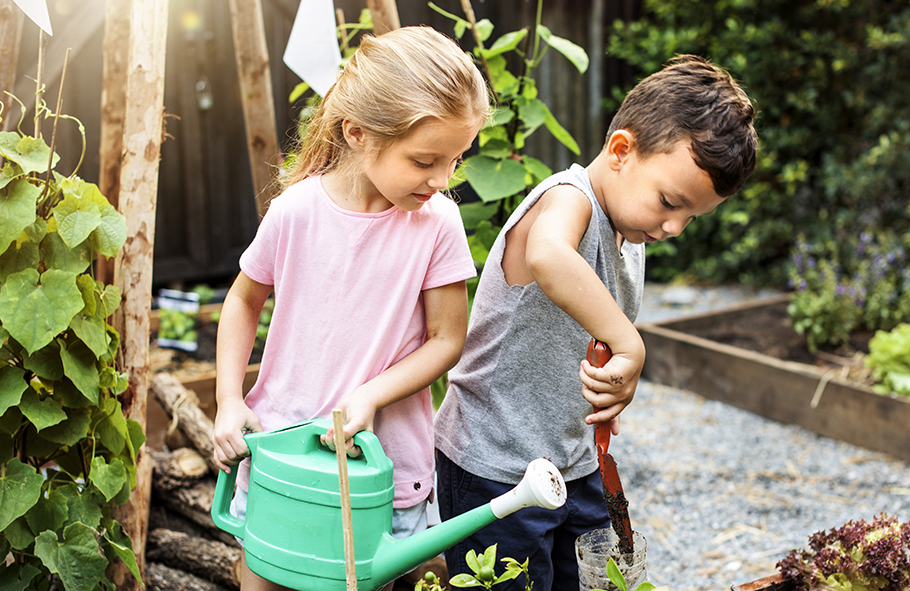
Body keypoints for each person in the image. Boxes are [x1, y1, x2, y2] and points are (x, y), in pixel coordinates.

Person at [434, 55, 758, 590]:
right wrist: (631, 342)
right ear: (622, 151)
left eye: (692, 217)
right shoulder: (569, 199)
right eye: (670, 203)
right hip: (495, 469)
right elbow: (548, 256)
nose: (675, 227)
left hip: (573, 463)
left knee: (599, 578)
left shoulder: (632, 232)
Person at [211, 26, 489, 591]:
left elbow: (446, 339)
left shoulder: (437, 224)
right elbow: (242, 299)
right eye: (425, 160)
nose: (442, 180)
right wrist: (225, 399)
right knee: (263, 578)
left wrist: (369, 395)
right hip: (282, 447)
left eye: (455, 160)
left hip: (377, 463)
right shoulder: (296, 211)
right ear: (358, 133)